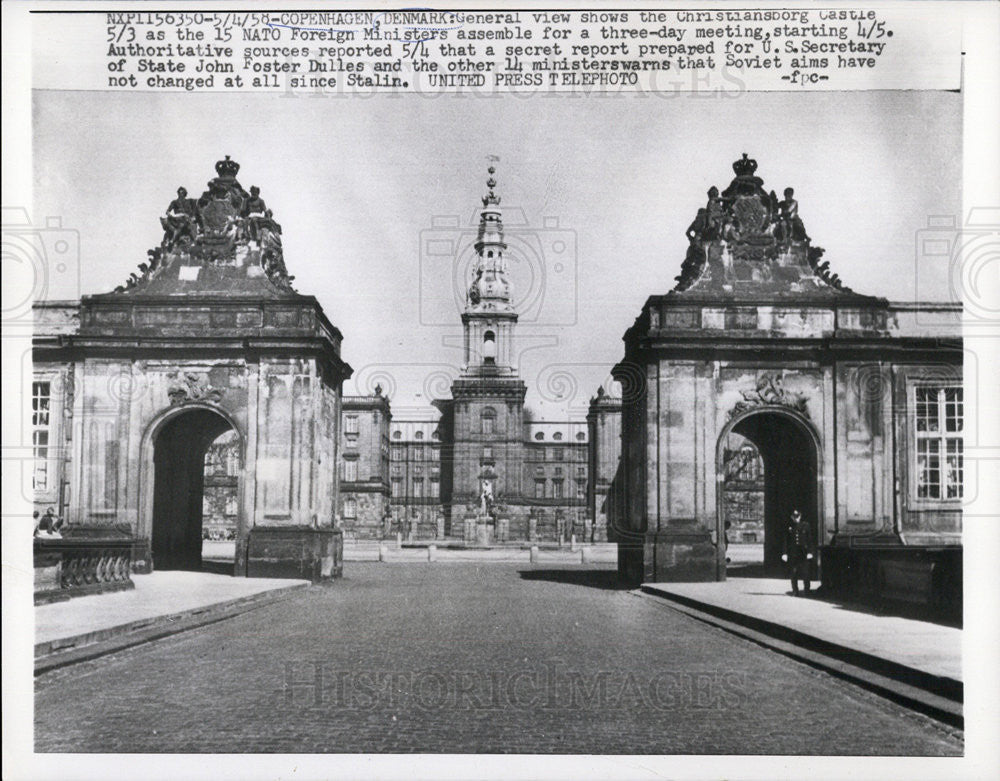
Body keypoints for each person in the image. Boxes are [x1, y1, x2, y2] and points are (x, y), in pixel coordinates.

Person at [781, 508, 813, 595]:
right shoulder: (789, 527)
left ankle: (807, 590)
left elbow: (809, 540)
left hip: (803, 552)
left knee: (805, 572)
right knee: (793, 572)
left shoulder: (806, 525)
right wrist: (784, 553)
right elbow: (785, 541)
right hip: (793, 552)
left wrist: (810, 552)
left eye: (798, 516)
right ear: (792, 517)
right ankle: (795, 590)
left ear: (800, 516)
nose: (796, 518)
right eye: (794, 517)